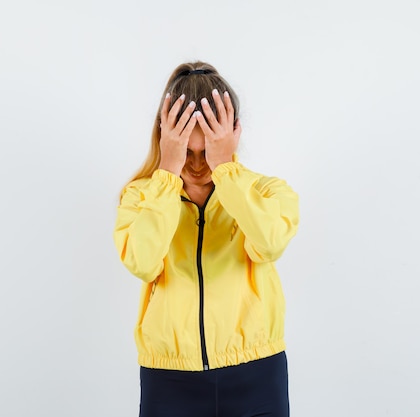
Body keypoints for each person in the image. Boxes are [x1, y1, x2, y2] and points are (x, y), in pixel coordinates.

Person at [113, 61, 299, 417]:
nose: (198, 166)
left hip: (256, 373)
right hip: (169, 380)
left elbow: (269, 243)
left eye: (207, 152)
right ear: (166, 139)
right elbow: (142, 262)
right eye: (187, 152)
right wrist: (167, 173)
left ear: (232, 136)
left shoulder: (266, 192)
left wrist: (226, 169)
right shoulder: (142, 197)